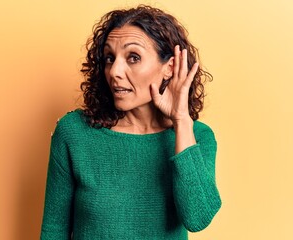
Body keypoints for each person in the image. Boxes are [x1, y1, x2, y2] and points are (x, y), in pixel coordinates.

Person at [41, 5, 221, 240]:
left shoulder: (197, 136)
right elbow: (53, 231)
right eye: (109, 58)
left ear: (170, 68)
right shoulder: (74, 132)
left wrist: (181, 121)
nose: (114, 71)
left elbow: (197, 218)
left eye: (133, 58)